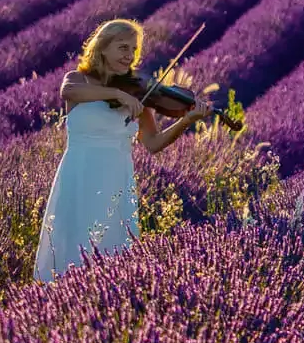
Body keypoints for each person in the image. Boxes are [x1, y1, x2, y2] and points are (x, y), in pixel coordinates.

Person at [34, 18, 211, 283]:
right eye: (122, 47)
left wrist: (186, 121)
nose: (129, 56)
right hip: (78, 176)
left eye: (133, 50)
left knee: (110, 252)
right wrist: (115, 94)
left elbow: (152, 144)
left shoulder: (138, 92)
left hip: (115, 179)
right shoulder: (78, 80)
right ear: (103, 47)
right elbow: (67, 91)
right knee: (70, 244)